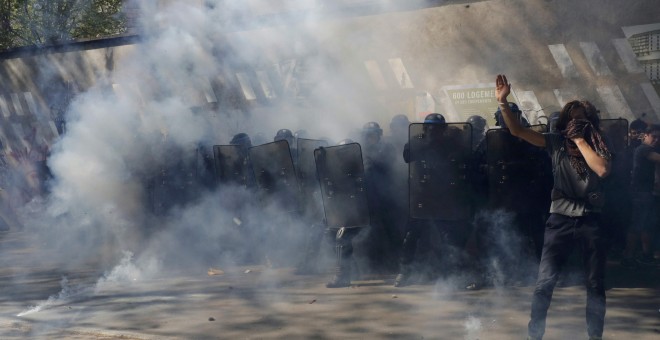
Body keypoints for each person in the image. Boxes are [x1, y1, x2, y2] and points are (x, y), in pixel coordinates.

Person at [495, 74, 611, 340]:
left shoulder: (598, 144)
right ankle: (534, 335)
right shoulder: (556, 143)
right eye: (571, 119)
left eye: (581, 119)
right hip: (559, 220)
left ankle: (595, 337)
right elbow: (518, 132)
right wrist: (503, 103)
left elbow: (603, 170)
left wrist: (581, 141)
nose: (575, 123)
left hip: (591, 220)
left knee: (594, 284)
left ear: (590, 122)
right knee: (544, 284)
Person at [621, 124, 660, 267]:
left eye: (659, 137)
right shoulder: (644, 149)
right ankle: (628, 256)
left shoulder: (649, 149)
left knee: (646, 225)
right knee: (637, 225)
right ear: (646, 136)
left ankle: (645, 255)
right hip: (641, 193)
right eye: (654, 136)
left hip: (647, 193)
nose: (656, 140)